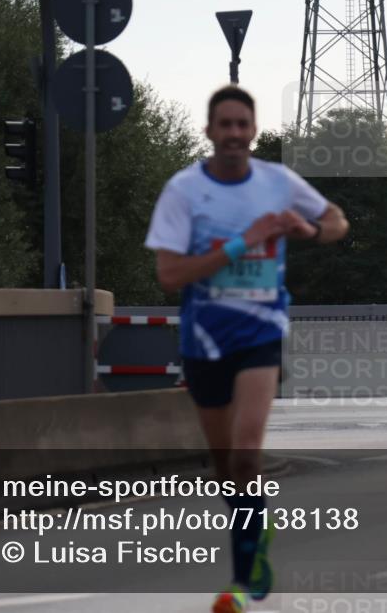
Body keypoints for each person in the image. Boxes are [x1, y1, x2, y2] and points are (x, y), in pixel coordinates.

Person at [144, 85, 349, 613]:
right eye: (225, 125)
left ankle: (243, 578)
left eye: (243, 125)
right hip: (204, 338)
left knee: (245, 450)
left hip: (260, 333)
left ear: (253, 131)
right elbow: (169, 274)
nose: (234, 134)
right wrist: (242, 241)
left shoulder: (278, 182)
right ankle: (256, 520)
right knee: (226, 466)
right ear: (210, 132)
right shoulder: (185, 191)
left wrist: (308, 229)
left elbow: (337, 222)